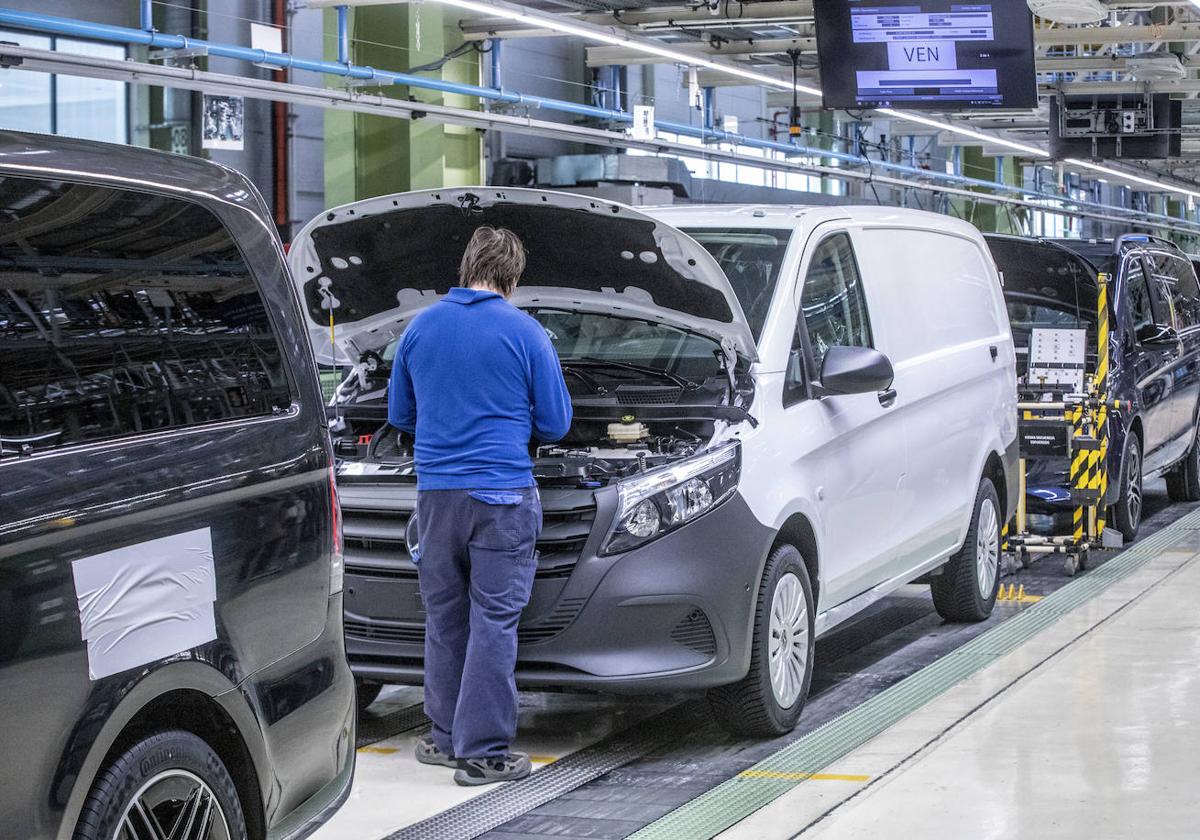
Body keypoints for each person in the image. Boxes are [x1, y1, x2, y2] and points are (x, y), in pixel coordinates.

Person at [388, 225, 572, 786]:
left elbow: (399, 415)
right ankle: (484, 752)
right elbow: (557, 423)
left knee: (445, 619)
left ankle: (444, 739)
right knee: (494, 620)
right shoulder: (527, 333)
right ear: (512, 278)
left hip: (436, 497)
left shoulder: (419, 329)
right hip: (501, 498)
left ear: (466, 266)